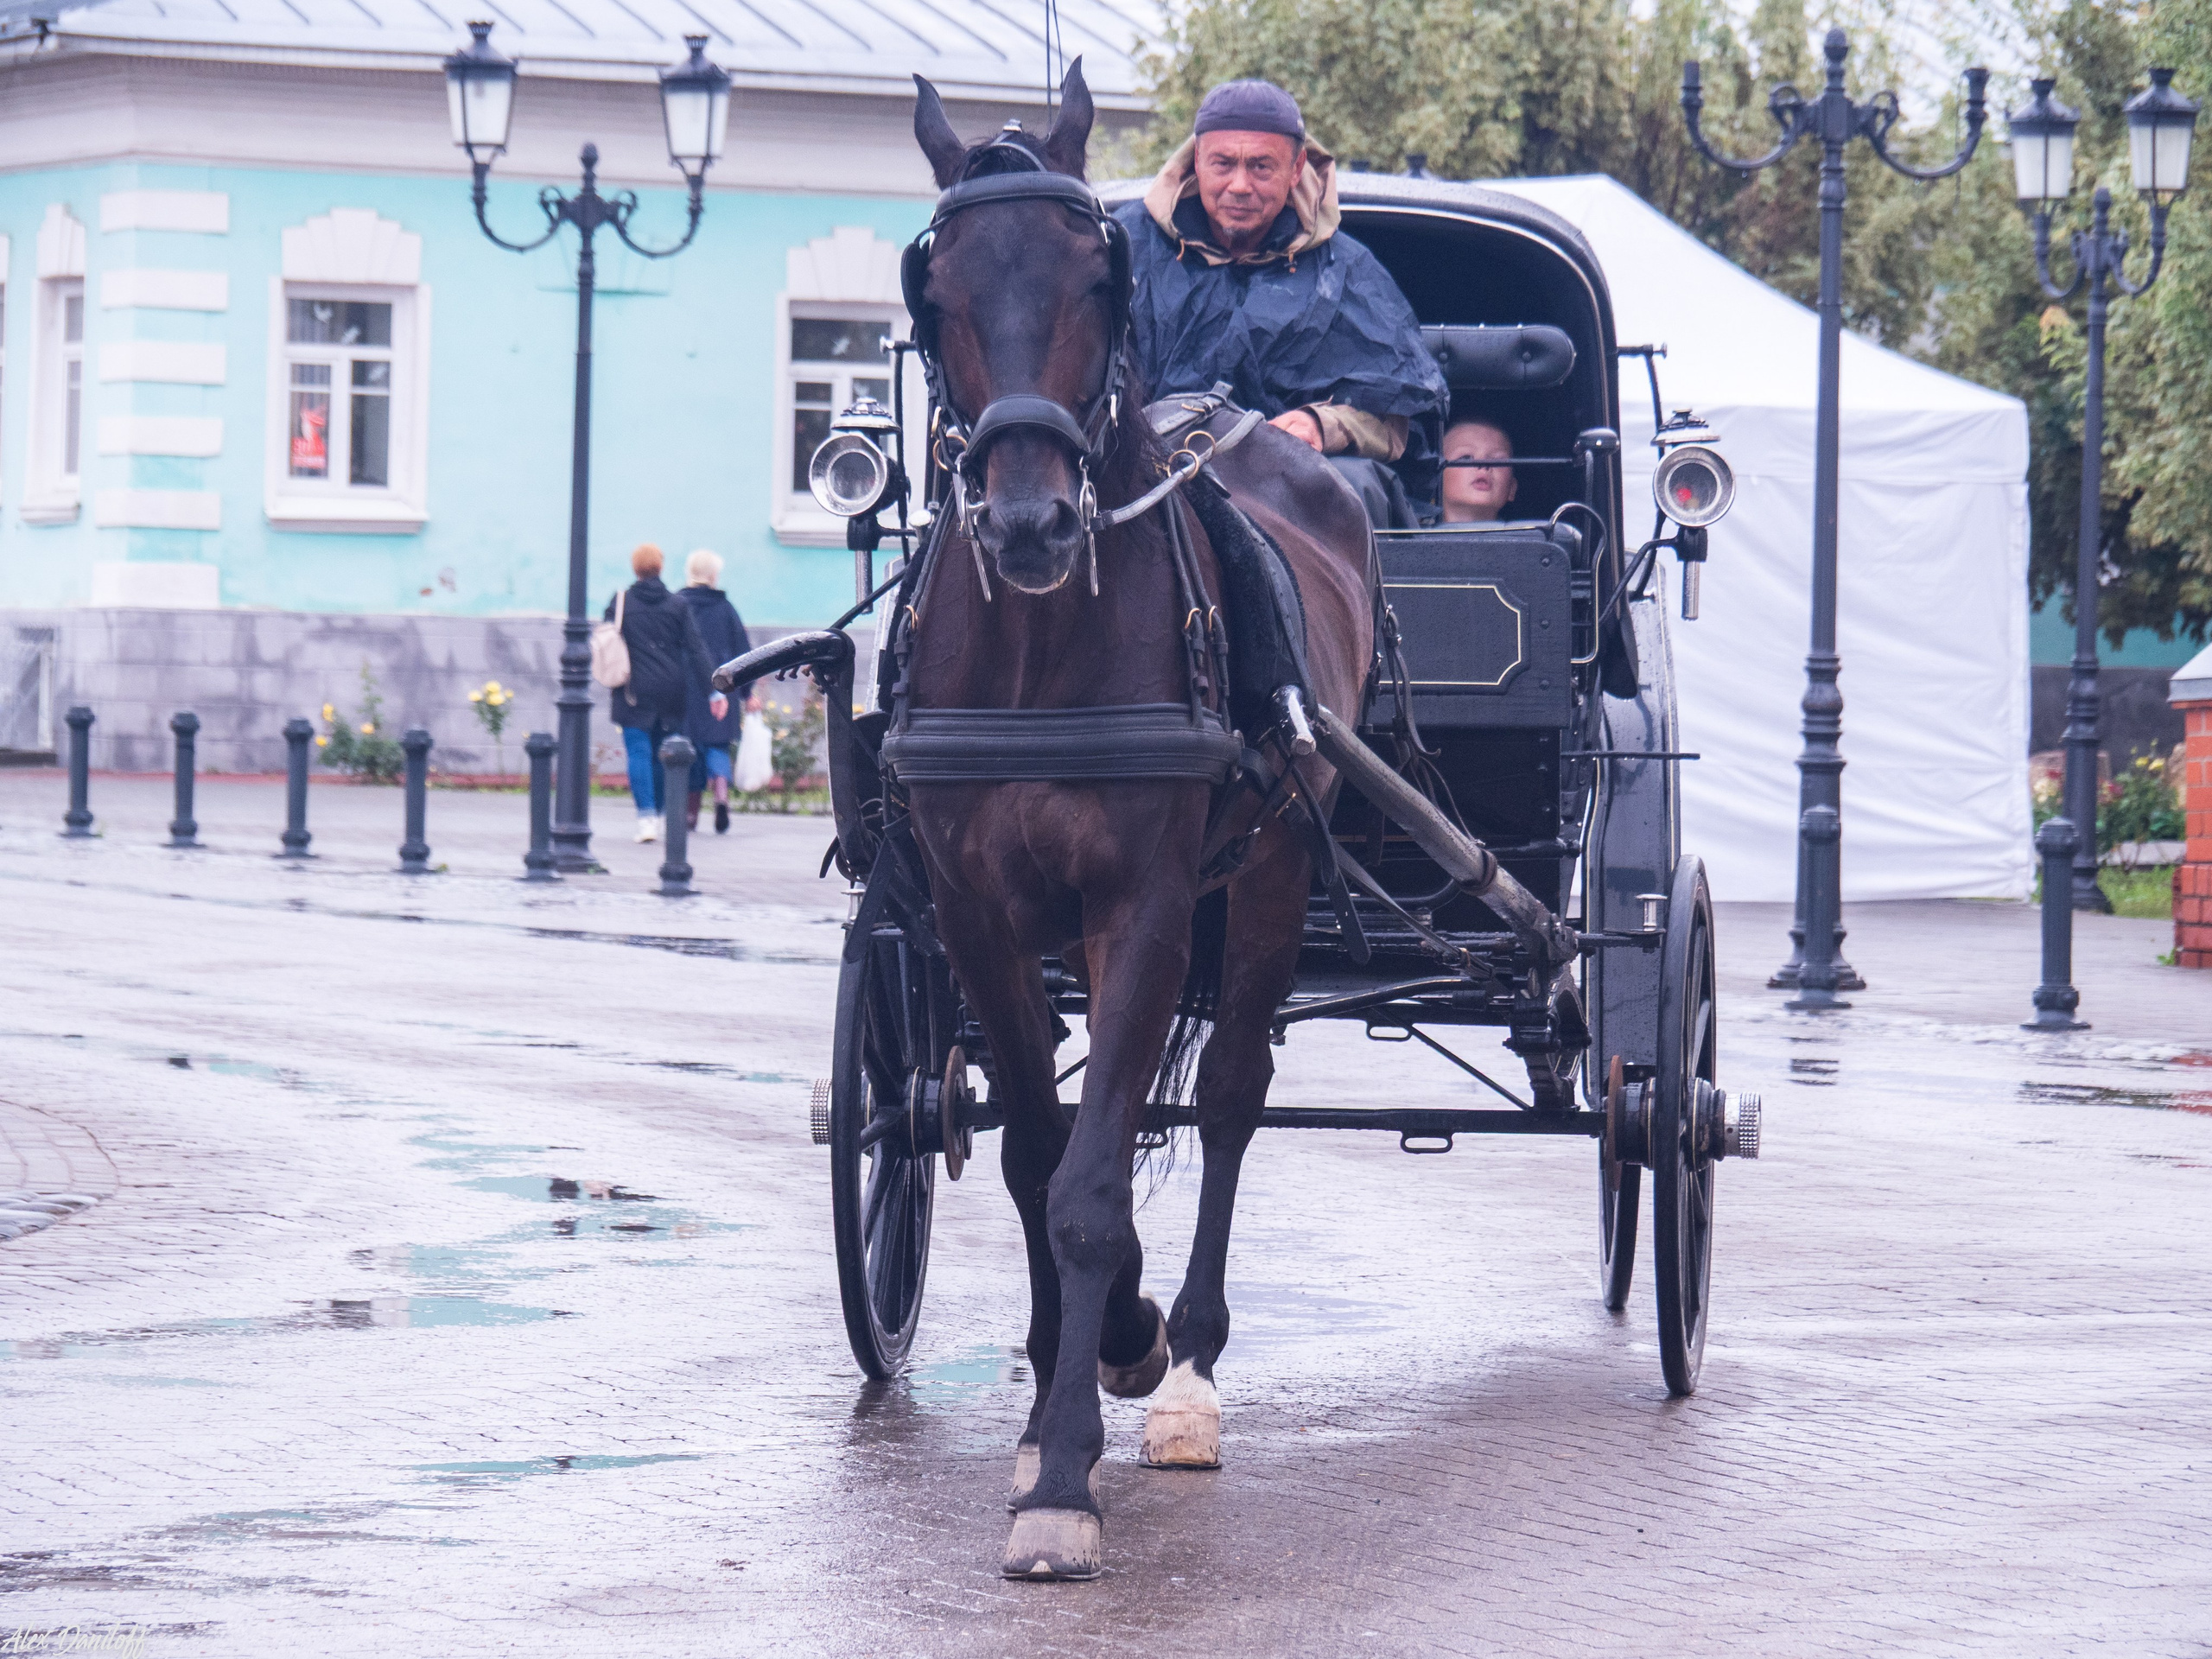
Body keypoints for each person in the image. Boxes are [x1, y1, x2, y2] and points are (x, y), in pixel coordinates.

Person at [1115, 78, 1448, 515]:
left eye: (1260, 167)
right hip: (1149, 483)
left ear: (1296, 169)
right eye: (1222, 164)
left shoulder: (1347, 271)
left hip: (1297, 496)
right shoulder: (1121, 251)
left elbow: (1399, 421)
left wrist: (1319, 425)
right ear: (1196, 161)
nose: (1239, 184)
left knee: (1356, 486)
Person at [604, 543, 721, 843]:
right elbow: (697, 649)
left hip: (632, 689)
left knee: (639, 752)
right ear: (661, 567)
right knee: (663, 754)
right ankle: (660, 812)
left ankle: (647, 819)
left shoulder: (620, 603)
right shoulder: (677, 605)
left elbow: (605, 641)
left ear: (635, 568)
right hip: (671, 689)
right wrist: (714, 692)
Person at [675, 548, 752, 835]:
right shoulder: (725, 608)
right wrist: (746, 693)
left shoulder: (679, 604)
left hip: (687, 689)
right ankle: (721, 798)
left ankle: (690, 816)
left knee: (691, 750)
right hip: (722, 687)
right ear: (712, 575)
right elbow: (744, 652)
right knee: (718, 746)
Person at [1437, 418, 1518, 524]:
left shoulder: (1528, 537)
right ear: (1436, 479)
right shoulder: (1414, 534)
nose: (1483, 465)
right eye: (1466, 458)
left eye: (1497, 461)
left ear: (1512, 488)